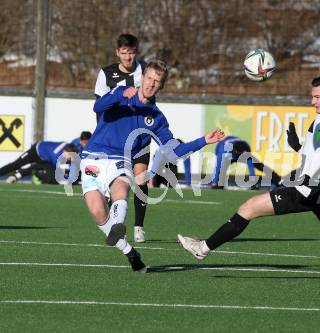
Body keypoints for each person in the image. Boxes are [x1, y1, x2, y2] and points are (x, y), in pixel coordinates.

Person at [177, 74, 320, 277]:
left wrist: (300, 177)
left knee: (247, 209)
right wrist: (299, 147)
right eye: (312, 96)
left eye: (317, 97)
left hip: (308, 190)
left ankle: (202, 248)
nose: (313, 102)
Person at [81, 59, 224, 272]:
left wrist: (203, 140)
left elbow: (173, 151)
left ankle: (118, 224)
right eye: (149, 78)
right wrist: (120, 94)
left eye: (157, 81)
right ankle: (130, 251)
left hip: (121, 161)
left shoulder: (156, 118)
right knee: (97, 210)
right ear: (142, 78)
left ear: (161, 86)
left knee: (120, 188)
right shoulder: (122, 92)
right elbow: (97, 106)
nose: (151, 84)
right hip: (93, 156)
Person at [94, 33, 149, 243]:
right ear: (118, 52)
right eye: (124, 53)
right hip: (115, 137)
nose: (127, 57)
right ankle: (115, 222)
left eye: (131, 53)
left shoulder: (144, 71)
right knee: (115, 180)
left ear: (136, 52)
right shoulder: (106, 73)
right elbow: (99, 106)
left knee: (141, 178)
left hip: (140, 134)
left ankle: (139, 226)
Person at [210, 136, 282, 189]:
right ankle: (219, 183)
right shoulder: (224, 149)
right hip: (225, 153)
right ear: (235, 151)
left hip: (235, 149)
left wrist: (253, 181)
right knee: (222, 167)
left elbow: (250, 164)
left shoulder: (246, 146)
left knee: (258, 165)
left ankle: (278, 180)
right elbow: (218, 165)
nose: (242, 156)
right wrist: (215, 181)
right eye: (240, 154)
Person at [1, 141, 78, 184]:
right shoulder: (55, 156)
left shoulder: (68, 147)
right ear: (65, 152)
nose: (70, 158)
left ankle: (34, 172)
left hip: (46, 159)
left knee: (52, 180)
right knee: (15, 165)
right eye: (70, 156)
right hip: (35, 151)